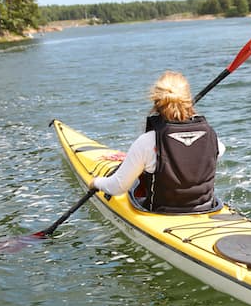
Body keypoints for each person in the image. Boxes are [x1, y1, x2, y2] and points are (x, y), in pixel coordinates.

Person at [88, 71, 224, 213]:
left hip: (161, 212)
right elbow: (217, 151)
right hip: (205, 209)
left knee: (135, 188)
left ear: (156, 101)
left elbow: (118, 187)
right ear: (188, 100)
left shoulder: (147, 141)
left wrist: (95, 182)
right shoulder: (211, 136)